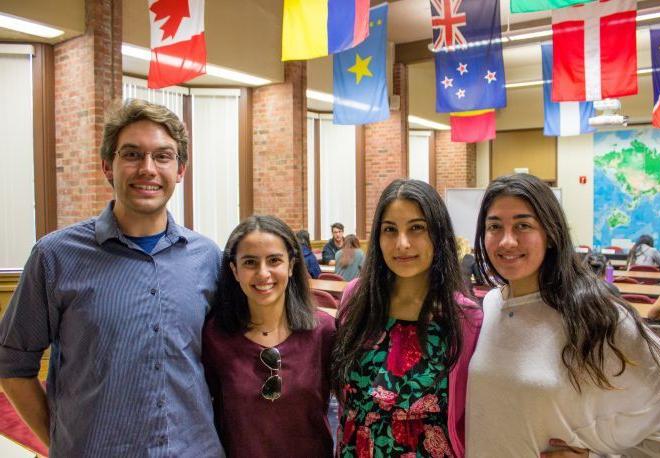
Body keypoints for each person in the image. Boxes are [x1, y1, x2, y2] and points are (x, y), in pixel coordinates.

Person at [0, 99, 224, 456]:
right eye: (132, 154)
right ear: (108, 166)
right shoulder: (55, 256)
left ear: (180, 170)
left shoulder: (208, 258)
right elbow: (12, 364)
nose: (148, 169)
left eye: (163, 156)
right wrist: (61, 443)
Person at [467, 173, 660, 457]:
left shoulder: (595, 315)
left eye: (523, 225)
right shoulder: (491, 305)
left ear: (550, 234)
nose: (506, 241)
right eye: (494, 226)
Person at [331, 178, 483, 457]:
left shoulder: (464, 317)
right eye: (390, 230)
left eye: (417, 228)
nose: (402, 243)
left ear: (438, 235)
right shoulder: (355, 298)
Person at [202, 215, 335, 456]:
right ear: (234, 270)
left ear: (292, 265)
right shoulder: (215, 336)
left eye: (274, 260)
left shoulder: (324, 332)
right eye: (250, 262)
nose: (263, 273)